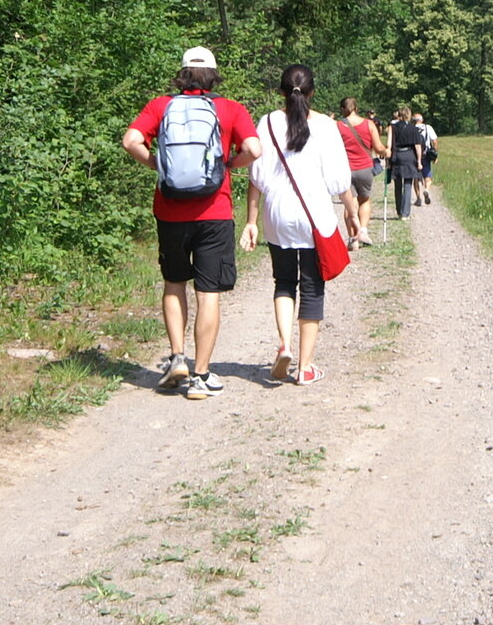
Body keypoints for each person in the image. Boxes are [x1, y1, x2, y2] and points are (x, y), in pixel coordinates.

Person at [122, 46, 261, 400]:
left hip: (170, 211)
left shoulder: (161, 106)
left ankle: (177, 358)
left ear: (182, 73)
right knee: (208, 292)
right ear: (214, 75)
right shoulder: (229, 108)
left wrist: (156, 164)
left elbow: (130, 141)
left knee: (174, 284)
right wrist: (230, 165)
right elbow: (255, 149)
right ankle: (201, 375)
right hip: (214, 211)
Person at [241, 65, 350, 386]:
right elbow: (338, 180)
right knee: (313, 287)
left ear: (281, 92)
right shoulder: (328, 126)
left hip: (277, 213)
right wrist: (353, 215)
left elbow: (256, 176)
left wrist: (250, 221)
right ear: (313, 92)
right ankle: (305, 367)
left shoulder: (268, 122)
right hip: (314, 214)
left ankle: (285, 345)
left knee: (284, 281)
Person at [336, 97, 385, 248]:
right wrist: (386, 151)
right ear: (356, 108)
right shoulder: (369, 124)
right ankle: (363, 231)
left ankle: (353, 239)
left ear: (342, 109)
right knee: (364, 200)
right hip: (365, 167)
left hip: (345, 169)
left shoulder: (337, 126)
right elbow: (378, 148)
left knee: (349, 204)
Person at [387, 105, 426, 220]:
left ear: (399, 114)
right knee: (408, 185)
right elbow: (418, 147)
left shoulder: (392, 127)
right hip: (409, 156)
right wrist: (419, 162)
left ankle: (399, 211)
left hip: (397, 156)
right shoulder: (414, 129)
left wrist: (388, 159)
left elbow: (389, 145)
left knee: (397, 185)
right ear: (409, 115)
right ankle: (405, 214)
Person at [413, 110, 440, 205]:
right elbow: (435, 141)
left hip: (414, 156)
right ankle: (427, 189)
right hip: (426, 155)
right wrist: (435, 154)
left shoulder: (411, 128)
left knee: (415, 178)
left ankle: (418, 199)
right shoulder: (428, 127)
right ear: (422, 120)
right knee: (427, 176)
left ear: (414, 120)